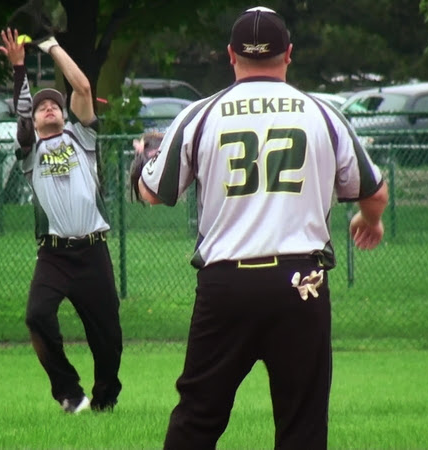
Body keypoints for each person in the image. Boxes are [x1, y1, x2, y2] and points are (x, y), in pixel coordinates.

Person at [136, 7, 389, 449]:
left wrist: (142, 161)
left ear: (231, 55)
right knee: (302, 425)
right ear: (288, 54)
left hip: (226, 284)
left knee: (197, 417)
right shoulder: (322, 114)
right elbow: (374, 192)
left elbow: (154, 193)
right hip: (301, 283)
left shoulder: (202, 114)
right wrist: (370, 220)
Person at [0, 28, 123, 414]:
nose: (48, 108)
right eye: (41, 108)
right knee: (37, 316)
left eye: (54, 104)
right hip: (54, 255)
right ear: (34, 120)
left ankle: (104, 398)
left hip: (93, 250)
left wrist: (51, 46)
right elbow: (22, 119)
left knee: (108, 336)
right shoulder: (30, 152)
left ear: (65, 114)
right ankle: (69, 392)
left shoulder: (81, 137)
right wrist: (19, 69)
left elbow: (82, 87)